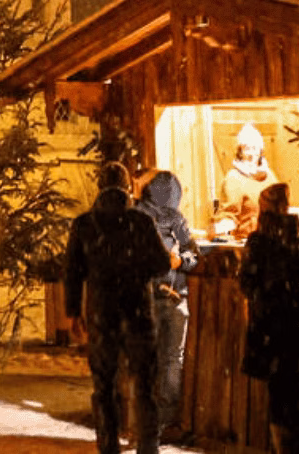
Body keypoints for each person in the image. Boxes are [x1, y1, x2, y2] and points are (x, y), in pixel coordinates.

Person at [64, 161, 172, 454]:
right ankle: (148, 446)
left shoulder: (84, 224)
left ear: (99, 186)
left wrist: (73, 312)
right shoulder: (141, 222)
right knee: (145, 383)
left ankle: (108, 445)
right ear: (128, 187)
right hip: (138, 312)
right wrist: (138, 270)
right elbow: (162, 264)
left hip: (102, 313)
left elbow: (73, 271)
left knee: (104, 385)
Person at [238, 182, 299, 454]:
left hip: (267, 323)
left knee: (278, 391)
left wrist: (260, 294)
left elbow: (246, 281)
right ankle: (298, 444)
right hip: (293, 319)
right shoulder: (298, 239)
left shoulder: (258, 241)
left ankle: (283, 446)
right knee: (291, 388)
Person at [136, 170, 199, 442]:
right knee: (170, 361)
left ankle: (149, 423)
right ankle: (163, 422)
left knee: (153, 361)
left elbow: (191, 253)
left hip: (154, 298)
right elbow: (193, 252)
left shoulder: (136, 216)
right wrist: (181, 261)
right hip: (168, 297)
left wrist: (180, 260)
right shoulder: (173, 218)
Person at [218, 122, 278, 238]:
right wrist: (222, 227)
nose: (251, 154)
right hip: (247, 240)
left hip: (272, 239)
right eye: (247, 149)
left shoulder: (270, 176)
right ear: (240, 152)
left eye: (254, 148)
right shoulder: (234, 178)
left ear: (260, 151)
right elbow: (229, 214)